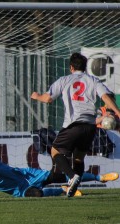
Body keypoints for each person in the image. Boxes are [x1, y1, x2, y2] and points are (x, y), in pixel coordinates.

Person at [30, 52, 120, 197]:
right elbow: (106, 96)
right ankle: (73, 186)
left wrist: (36, 96)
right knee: (79, 158)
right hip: (90, 127)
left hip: (73, 125)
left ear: (71, 67)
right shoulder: (93, 80)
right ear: (85, 68)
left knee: (55, 151)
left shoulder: (64, 80)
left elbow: (47, 99)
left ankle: (72, 177)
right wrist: (117, 112)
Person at [0, 145, 118, 198]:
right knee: (37, 194)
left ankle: (100, 177)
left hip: (26, 175)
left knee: (60, 175)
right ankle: (63, 189)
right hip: (19, 190)